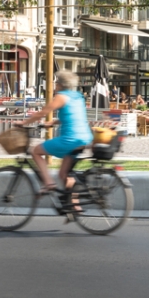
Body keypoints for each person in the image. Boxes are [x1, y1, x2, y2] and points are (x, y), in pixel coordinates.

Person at [20, 71, 94, 208]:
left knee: (35, 151)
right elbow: (72, 116)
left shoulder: (61, 96)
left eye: (55, 82)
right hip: (84, 138)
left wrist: (23, 123)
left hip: (70, 139)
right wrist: (52, 123)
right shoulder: (78, 96)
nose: (54, 84)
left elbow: (43, 112)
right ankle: (75, 207)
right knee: (63, 174)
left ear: (59, 84)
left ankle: (49, 183)